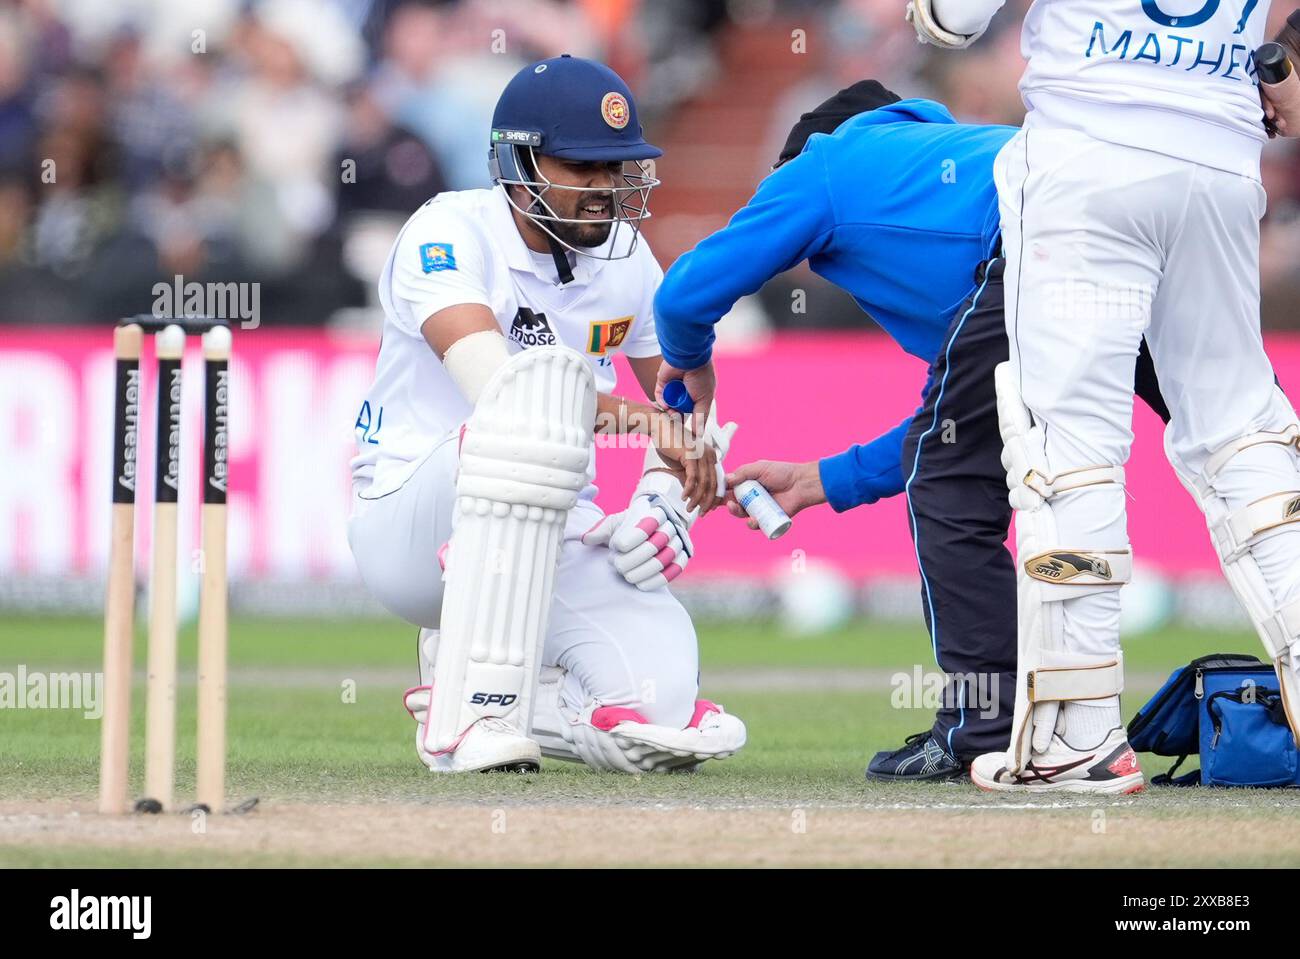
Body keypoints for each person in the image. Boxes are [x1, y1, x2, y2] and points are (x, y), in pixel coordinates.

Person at [652, 80, 1170, 780]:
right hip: (1147, 221)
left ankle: (983, 727)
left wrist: (688, 366)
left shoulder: (827, 163)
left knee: (952, 493)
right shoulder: (943, 181)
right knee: (1241, 449)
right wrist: (815, 481)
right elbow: (951, 430)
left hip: (1045, 243)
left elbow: (683, 295)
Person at [907, 0, 1300, 792]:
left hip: (1089, 148)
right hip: (1219, 157)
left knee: (1067, 450)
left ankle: (1077, 738)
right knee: (1242, 431)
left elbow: (950, 20)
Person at [347, 55, 745, 775]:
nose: (604, 190)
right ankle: (474, 713)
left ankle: (478, 685)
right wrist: (643, 420)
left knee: (659, 710)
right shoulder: (447, 234)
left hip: (549, 517)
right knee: (515, 435)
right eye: (582, 168)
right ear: (519, 165)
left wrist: (665, 496)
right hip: (415, 515)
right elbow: (502, 392)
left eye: (616, 169)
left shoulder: (626, 257)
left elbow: (685, 393)